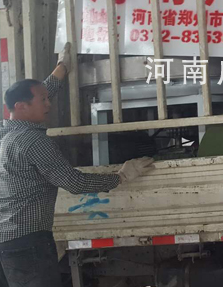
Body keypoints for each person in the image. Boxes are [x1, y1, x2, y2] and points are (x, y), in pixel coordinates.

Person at [0, 43, 154, 287]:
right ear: (21, 107)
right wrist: (120, 177)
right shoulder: (32, 141)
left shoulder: (5, 134)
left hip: (7, 239)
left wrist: (62, 68)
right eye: (43, 100)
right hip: (29, 243)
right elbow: (74, 182)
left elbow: (36, 94)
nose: (49, 104)